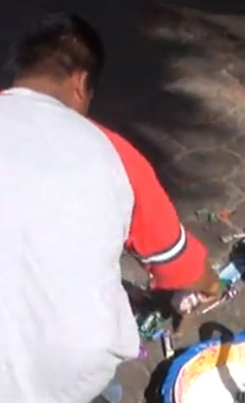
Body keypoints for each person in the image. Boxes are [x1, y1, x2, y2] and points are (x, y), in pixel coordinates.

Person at [0, 12, 220, 403]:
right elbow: (179, 264)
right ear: (81, 83)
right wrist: (209, 284)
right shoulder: (112, 151)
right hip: (70, 373)